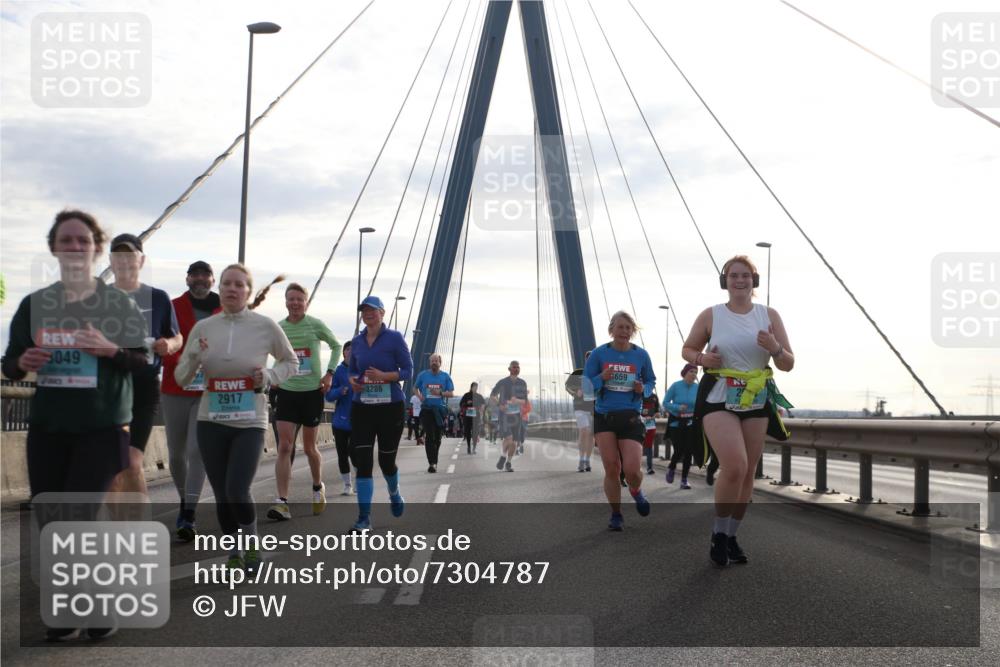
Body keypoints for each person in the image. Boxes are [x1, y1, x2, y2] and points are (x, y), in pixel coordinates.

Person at [2, 210, 148, 641]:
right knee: (51, 520)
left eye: (83, 241)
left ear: (96, 248)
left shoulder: (117, 304)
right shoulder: (35, 304)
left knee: (80, 516)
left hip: (103, 427)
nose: (75, 247)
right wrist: (21, 363)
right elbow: (10, 362)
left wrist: (110, 351)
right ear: (54, 248)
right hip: (49, 427)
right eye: (67, 240)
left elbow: (143, 364)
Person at [175, 265, 298, 574]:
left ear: (248, 292)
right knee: (220, 494)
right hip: (211, 420)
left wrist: (268, 375)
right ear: (222, 288)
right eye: (227, 283)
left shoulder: (265, 326)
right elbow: (180, 377)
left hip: (250, 421)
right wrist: (193, 358)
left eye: (239, 285)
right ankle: (233, 551)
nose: (232, 288)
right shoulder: (205, 328)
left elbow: (291, 362)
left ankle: (252, 542)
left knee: (236, 489)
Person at [682, 255, 794, 567]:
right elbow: (688, 349)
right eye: (734, 275)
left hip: (756, 401)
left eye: (746, 275)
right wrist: (703, 360)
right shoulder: (711, 315)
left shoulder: (768, 315)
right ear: (725, 281)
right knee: (734, 465)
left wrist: (774, 348)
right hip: (719, 396)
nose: (740, 280)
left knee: (747, 474)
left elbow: (788, 363)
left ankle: (731, 535)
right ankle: (718, 534)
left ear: (754, 281)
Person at [107, 234, 183, 497]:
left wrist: (168, 345)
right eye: (118, 255)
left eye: (130, 255)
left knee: (131, 463)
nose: (124, 261)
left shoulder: (158, 298)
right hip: (108, 388)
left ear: (142, 260)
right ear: (111, 261)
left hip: (143, 387)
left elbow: (177, 337)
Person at [268, 283, 342, 521]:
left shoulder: (315, 324)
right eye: (291, 299)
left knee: (310, 448)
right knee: (285, 447)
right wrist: (275, 375)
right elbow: (270, 352)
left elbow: (336, 345)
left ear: (306, 302)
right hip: (287, 393)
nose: (295, 303)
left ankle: (318, 487)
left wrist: (329, 373)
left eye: (300, 299)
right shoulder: (279, 328)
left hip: (312, 393)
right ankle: (281, 501)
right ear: (286, 301)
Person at [160, 260, 221, 541]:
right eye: (194, 275)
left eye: (204, 275)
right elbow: (162, 342)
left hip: (208, 391)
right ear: (187, 279)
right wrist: (186, 362)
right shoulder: (171, 306)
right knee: (176, 454)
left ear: (212, 279)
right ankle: (185, 499)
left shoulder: (224, 309)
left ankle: (189, 512)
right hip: (175, 385)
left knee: (197, 451)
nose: (199, 279)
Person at [584, 311, 656, 532]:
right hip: (605, 417)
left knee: (632, 470)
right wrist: (600, 378)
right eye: (620, 327)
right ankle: (616, 514)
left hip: (631, 417)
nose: (624, 331)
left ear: (632, 331)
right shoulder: (598, 354)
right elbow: (586, 387)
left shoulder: (641, 355)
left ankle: (635, 491)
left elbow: (651, 381)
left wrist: (642, 388)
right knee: (612, 467)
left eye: (628, 328)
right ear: (611, 330)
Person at [347, 296, 413, 531]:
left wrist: (385, 376)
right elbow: (353, 370)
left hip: (390, 407)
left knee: (386, 461)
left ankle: (394, 494)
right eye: (364, 310)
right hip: (362, 406)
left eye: (372, 310)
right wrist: (353, 381)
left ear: (382, 313)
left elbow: (407, 370)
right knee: (363, 462)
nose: (368, 314)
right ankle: (364, 518)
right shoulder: (357, 341)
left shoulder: (394, 338)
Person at [413, 353, 454, 473]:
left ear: (440, 363)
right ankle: (432, 463)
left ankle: (434, 461)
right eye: (432, 361)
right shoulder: (423, 375)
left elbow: (451, 393)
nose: (434, 363)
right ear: (429, 363)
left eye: (436, 361)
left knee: (437, 438)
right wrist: (419, 396)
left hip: (439, 411)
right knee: (430, 436)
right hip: (427, 409)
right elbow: (415, 388)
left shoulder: (445, 376)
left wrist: (440, 393)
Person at [326, 341, 355, 495]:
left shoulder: (363, 369)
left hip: (359, 421)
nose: (350, 352)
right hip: (341, 422)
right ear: (343, 352)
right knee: (342, 454)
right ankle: (347, 484)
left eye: (354, 349)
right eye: (348, 349)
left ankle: (359, 481)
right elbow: (329, 395)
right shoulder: (338, 371)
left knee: (356, 454)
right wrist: (339, 391)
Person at [664, 364, 699, 489]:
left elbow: (701, 405)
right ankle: (672, 468)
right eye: (691, 371)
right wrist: (678, 407)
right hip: (676, 423)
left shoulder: (698, 387)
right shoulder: (676, 386)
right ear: (684, 373)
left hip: (690, 423)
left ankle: (684, 480)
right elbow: (665, 403)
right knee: (679, 450)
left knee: (689, 451)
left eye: (696, 372)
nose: (694, 374)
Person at [490, 361, 528, 472]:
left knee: (515, 441)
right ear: (509, 369)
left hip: (516, 416)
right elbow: (493, 395)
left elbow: (525, 401)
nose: (516, 369)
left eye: (518, 367)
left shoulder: (522, 383)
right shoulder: (502, 382)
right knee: (509, 438)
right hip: (504, 416)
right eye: (514, 367)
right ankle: (503, 456)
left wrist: (517, 400)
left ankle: (508, 462)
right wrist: (499, 404)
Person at [565, 351, 595, 472]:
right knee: (584, 431)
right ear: (586, 359)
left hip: (593, 408)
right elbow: (567, 385)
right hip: (580, 407)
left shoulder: (599, 373)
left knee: (591, 436)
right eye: (589, 359)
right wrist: (575, 391)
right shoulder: (577, 372)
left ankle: (587, 459)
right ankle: (581, 459)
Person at [459, 382, 486, 454]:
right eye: (474, 387)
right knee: (468, 431)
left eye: (476, 387)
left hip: (476, 416)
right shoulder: (466, 395)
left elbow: (483, 403)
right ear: (471, 387)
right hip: (467, 416)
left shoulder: (479, 396)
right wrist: (467, 403)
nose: (475, 388)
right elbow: (461, 404)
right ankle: (468, 446)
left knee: (475, 432)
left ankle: (474, 448)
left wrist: (482, 409)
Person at [641, 391, 660, 475]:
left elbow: (658, 411)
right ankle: (635, 467)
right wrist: (642, 417)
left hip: (651, 425)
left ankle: (649, 468)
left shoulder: (654, 396)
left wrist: (655, 415)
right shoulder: (638, 394)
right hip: (639, 424)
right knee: (637, 445)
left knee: (649, 446)